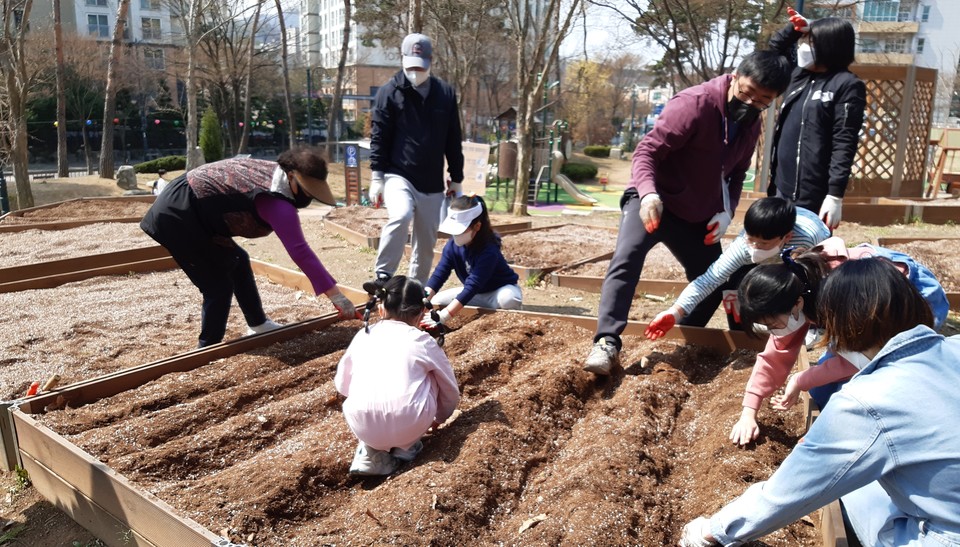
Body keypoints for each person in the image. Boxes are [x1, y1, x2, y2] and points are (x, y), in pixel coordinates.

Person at [679, 258, 960, 547]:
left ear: (842, 323)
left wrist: (710, 531)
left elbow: (787, 493)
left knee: (850, 488)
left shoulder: (868, 401)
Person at [583, 50, 793, 375]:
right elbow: (646, 151)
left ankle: (682, 342)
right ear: (734, 77)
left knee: (715, 278)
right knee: (627, 258)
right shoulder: (694, 104)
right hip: (655, 201)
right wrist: (649, 193)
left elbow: (736, 172)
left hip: (698, 213)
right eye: (747, 93)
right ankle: (607, 342)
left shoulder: (752, 123)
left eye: (763, 100)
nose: (752, 104)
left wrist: (725, 211)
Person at [728, 238, 949, 446]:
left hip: (908, 304)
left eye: (772, 325)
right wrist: (749, 412)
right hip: (860, 320)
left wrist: (801, 379)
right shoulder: (795, 289)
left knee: (871, 384)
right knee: (823, 391)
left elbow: (859, 358)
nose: (773, 331)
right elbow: (776, 355)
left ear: (797, 304)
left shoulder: (844, 294)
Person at [140, 147, 356, 348]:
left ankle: (257, 324)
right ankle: (207, 347)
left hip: (195, 208)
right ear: (291, 176)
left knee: (238, 260)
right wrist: (337, 297)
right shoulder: (277, 201)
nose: (308, 196)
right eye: (306, 189)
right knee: (217, 286)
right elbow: (300, 252)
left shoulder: (276, 176)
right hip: (178, 215)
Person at [644, 197, 829, 339]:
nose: (755, 246)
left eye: (763, 243)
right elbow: (709, 279)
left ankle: (813, 329)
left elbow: (819, 279)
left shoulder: (808, 240)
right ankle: (744, 333)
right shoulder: (742, 247)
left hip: (808, 243)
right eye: (751, 239)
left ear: (786, 237)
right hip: (768, 253)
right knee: (736, 285)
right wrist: (675, 312)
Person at [366, 33, 464, 290]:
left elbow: (453, 138)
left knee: (427, 237)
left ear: (430, 62)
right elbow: (379, 137)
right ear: (402, 60)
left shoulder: (445, 94)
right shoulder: (389, 92)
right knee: (400, 215)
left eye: (420, 67)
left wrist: (457, 179)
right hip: (399, 175)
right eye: (410, 66)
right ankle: (383, 276)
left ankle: (416, 287)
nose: (415, 72)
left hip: (432, 181)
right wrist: (377, 177)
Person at [335, 276, 460, 476]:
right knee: (431, 376)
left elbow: (342, 385)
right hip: (410, 422)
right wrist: (440, 418)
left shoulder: (364, 335)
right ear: (421, 313)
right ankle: (406, 447)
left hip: (361, 423)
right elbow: (449, 389)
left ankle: (371, 450)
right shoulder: (423, 341)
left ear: (381, 308)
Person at [767, 9, 866, 230]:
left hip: (813, 192)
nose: (802, 46)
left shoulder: (848, 85)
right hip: (781, 185)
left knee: (806, 254)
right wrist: (794, 30)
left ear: (829, 46)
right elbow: (774, 51)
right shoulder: (798, 76)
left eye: (809, 41)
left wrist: (835, 195)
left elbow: (844, 142)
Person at [420, 195, 522, 329]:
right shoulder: (452, 246)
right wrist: (424, 299)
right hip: (476, 294)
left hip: (497, 292)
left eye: (460, 230)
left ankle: (505, 320)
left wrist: (445, 315)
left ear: (477, 226)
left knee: (509, 299)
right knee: (437, 301)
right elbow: (440, 273)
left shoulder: (488, 250)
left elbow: (473, 284)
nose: (456, 235)